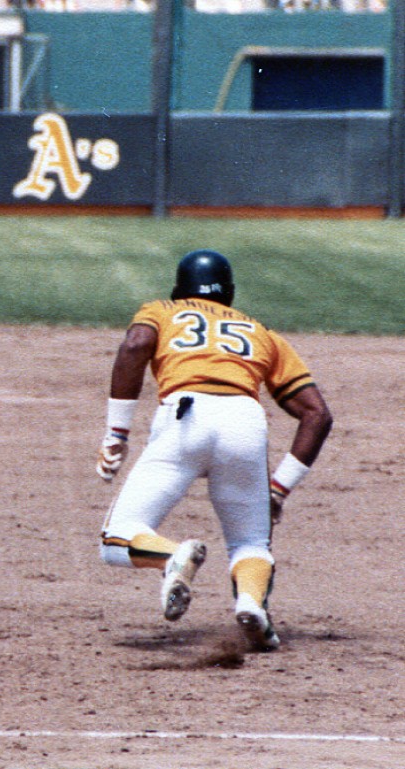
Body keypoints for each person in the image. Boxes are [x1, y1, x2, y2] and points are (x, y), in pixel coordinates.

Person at [95, 250, 332, 652]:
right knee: (251, 543)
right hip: (245, 423)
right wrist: (279, 489)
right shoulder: (262, 332)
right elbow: (317, 414)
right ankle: (252, 605)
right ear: (230, 293)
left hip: (184, 421)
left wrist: (117, 432)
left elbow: (135, 346)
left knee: (116, 538)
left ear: (179, 287)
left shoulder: (162, 310)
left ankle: (172, 557)